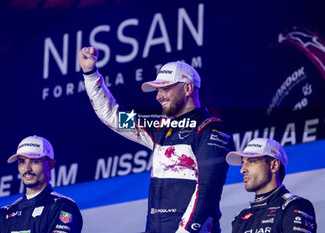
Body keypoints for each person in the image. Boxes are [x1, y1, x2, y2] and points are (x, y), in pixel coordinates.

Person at [79, 47, 234, 233]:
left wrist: (186, 231)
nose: (158, 96)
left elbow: (209, 188)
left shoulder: (211, 128)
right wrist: (90, 74)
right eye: (157, 89)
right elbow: (113, 116)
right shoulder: (159, 127)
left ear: (188, 88)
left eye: (165, 88)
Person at [0, 135, 83, 233]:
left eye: (35, 161)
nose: (27, 169)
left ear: (50, 164)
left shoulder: (62, 206)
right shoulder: (5, 214)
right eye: (21, 162)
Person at [226, 138, 317, 233]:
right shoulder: (240, 218)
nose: (242, 170)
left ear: (274, 165)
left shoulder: (294, 206)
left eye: (252, 161)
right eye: (242, 163)